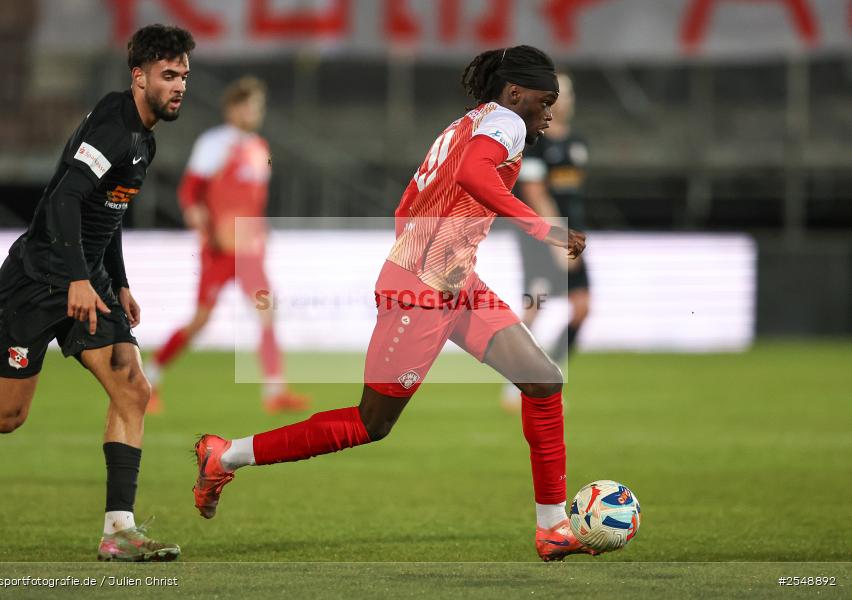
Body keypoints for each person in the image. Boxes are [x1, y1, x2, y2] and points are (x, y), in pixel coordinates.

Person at [193, 46, 594, 562]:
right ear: (516, 93)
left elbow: (411, 202)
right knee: (370, 423)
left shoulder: (468, 122)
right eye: (546, 100)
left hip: (449, 281)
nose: (550, 113)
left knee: (543, 381)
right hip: (423, 290)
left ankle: (552, 527)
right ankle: (226, 456)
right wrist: (542, 228)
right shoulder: (508, 124)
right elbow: (475, 176)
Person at [0, 24, 195, 562]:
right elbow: (64, 198)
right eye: (168, 75)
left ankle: (119, 532)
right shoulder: (113, 125)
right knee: (4, 417)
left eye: (184, 76)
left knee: (132, 389)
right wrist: (77, 279)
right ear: (139, 76)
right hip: (39, 281)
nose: (180, 86)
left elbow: (105, 215)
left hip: (88, 279)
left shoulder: (143, 139)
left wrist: (119, 281)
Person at [145, 77, 308, 415]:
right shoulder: (215, 143)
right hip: (220, 247)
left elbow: (252, 199)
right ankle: (150, 377)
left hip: (249, 249)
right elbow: (191, 190)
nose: (254, 113)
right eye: (248, 106)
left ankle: (275, 391)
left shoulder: (260, 147)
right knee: (201, 320)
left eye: (258, 107)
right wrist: (197, 217)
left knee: (266, 313)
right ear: (232, 109)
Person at [502, 72, 590, 410]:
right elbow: (536, 195)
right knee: (534, 306)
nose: (565, 99)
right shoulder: (535, 142)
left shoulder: (578, 144)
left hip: (573, 236)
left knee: (582, 308)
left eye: (569, 93)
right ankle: (519, 379)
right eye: (559, 93)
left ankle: (551, 371)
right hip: (543, 239)